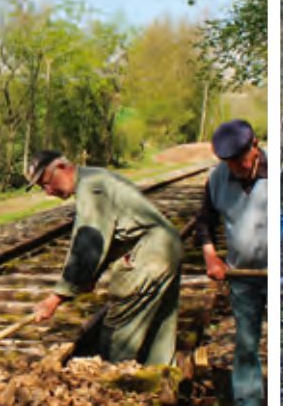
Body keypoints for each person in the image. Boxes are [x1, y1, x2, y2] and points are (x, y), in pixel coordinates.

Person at [28, 150, 182, 366]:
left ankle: (116, 385)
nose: (48, 192)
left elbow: (88, 246)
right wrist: (93, 275)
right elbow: (113, 235)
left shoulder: (92, 189)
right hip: (165, 246)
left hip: (150, 254)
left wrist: (56, 298)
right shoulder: (95, 178)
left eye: (47, 183)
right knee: (158, 325)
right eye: (42, 188)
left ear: (62, 168)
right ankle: (159, 375)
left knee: (119, 328)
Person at [195, 119, 268, 406]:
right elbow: (203, 223)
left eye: (240, 161)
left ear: (255, 146)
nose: (235, 168)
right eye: (228, 163)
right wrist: (211, 257)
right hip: (243, 275)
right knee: (247, 345)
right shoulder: (217, 179)